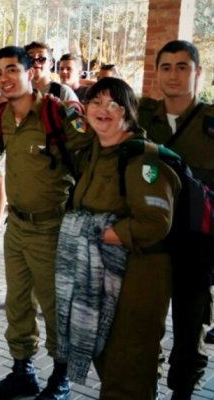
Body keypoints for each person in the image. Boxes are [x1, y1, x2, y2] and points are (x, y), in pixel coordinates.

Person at [0, 46, 92, 400]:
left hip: (52, 228)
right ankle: (22, 371)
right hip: (16, 228)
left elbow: (95, 148)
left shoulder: (57, 114)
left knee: (55, 305)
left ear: (31, 72)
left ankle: (61, 377)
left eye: (12, 69)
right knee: (17, 303)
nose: (4, 78)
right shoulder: (0, 116)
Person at [73, 77, 179, 399]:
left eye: (113, 104)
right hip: (104, 273)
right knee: (107, 357)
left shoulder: (143, 158)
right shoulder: (96, 151)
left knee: (129, 362)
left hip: (139, 276)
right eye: (96, 102)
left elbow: (155, 223)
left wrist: (103, 233)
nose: (103, 110)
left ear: (129, 112)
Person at [138, 40, 214, 400]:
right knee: (144, 325)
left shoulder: (211, 124)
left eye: (182, 66)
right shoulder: (140, 117)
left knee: (190, 325)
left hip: (197, 245)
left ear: (197, 73)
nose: (173, 74)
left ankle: (182, 391)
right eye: (165, 67)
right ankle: (144, 387)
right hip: (150, 244)